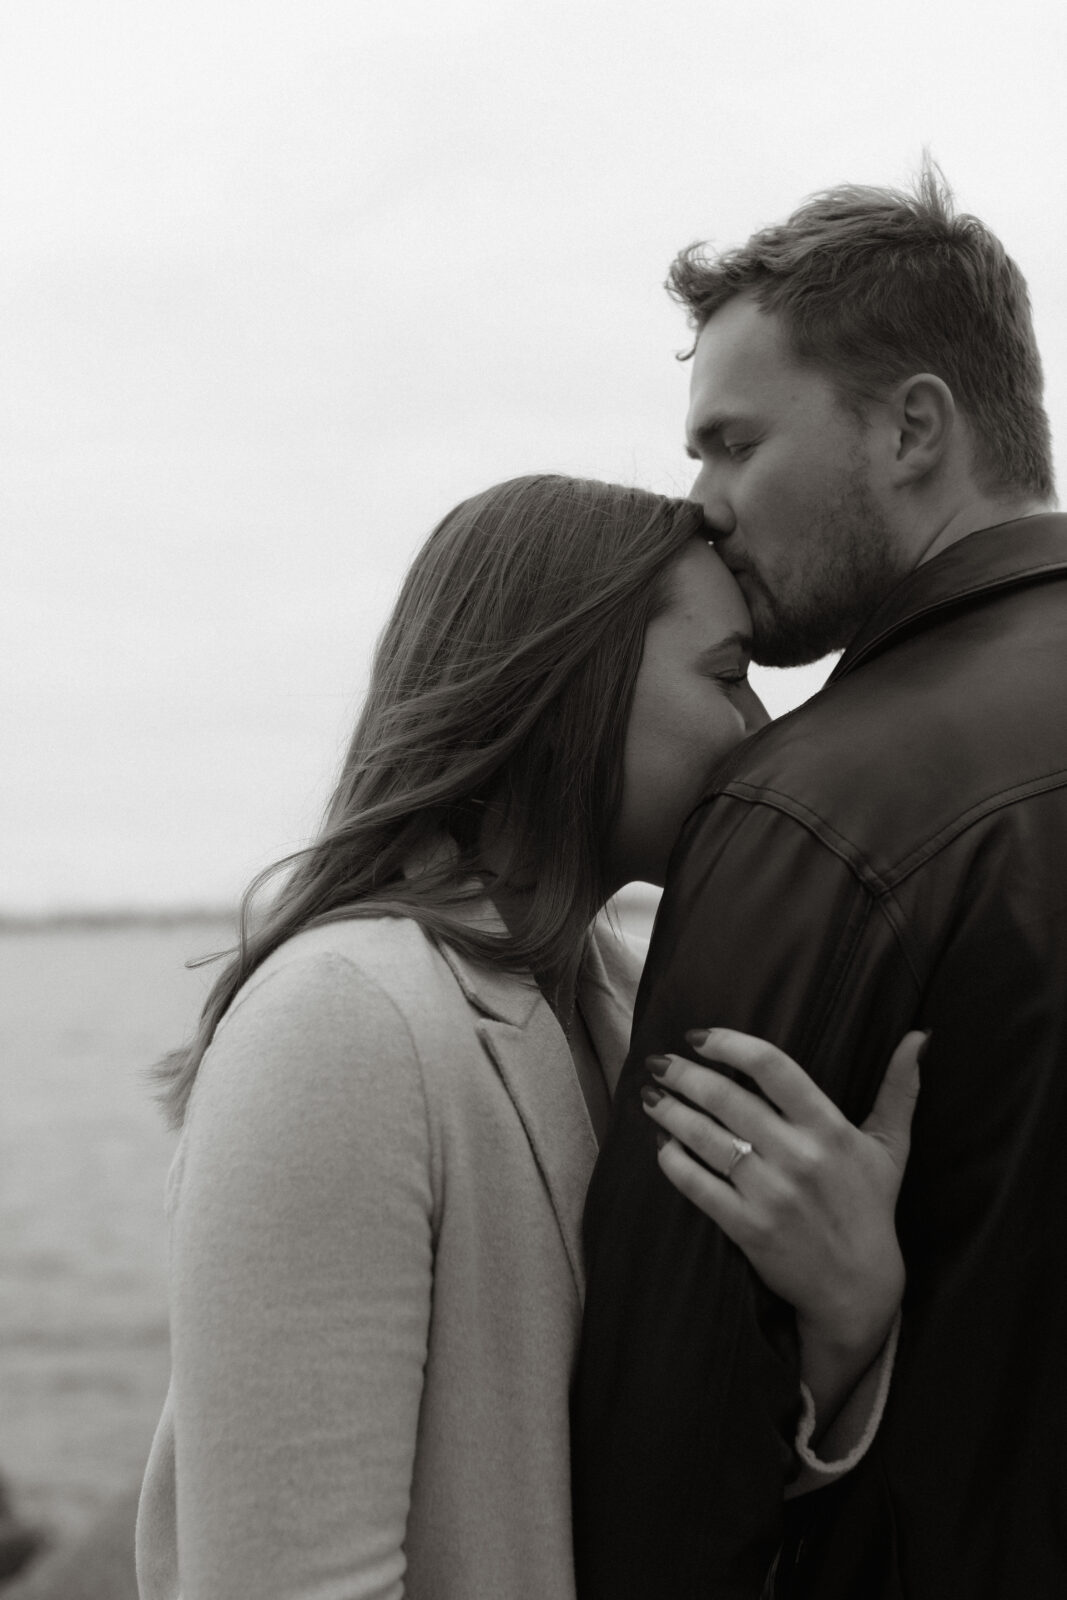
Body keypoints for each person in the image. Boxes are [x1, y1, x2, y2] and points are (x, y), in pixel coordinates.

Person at [135, 475, 921, 1600]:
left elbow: (663, 1506)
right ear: (572, 683)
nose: (761, 728)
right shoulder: (343, 1020)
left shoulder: (627, 998)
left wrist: (844, 1314)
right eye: (729, 675)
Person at [572, 167, 1066, 1599]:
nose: (704, 504)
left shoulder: (810, 807)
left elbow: (670, 1432)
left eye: (731, 444)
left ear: (911, 426)